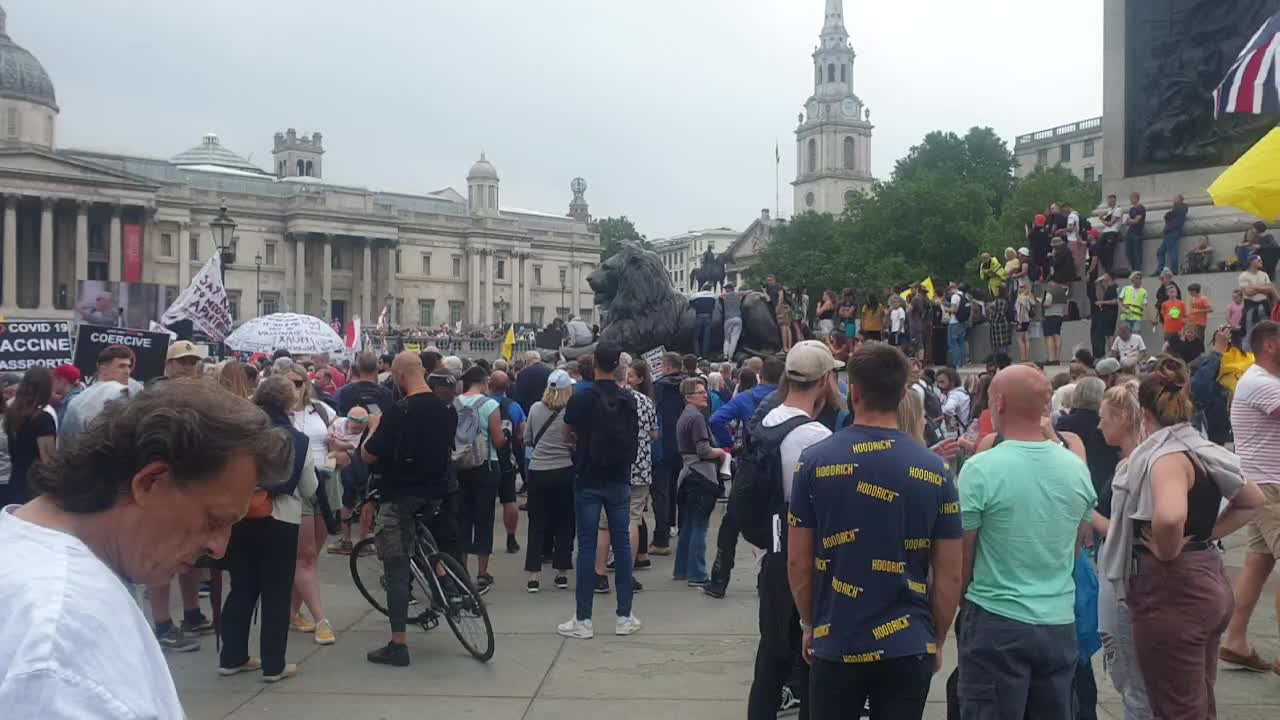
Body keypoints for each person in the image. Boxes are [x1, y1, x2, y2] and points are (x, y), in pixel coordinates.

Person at [0, 381, 292, 715]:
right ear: (151, 482)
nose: (219, 548)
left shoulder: (40, 566)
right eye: (214, 521)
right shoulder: (65, 633)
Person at [788, 343, 961, 719]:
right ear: (902, 394)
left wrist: (808, 623)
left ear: (854, 391)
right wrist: (937, 637)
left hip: (837, 637)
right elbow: (950, 574)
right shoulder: (934, 470)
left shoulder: (814, 462)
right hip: (908, 641)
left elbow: (798, 560)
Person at [1101, 357, 1263, 718]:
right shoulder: (1201, 450)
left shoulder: (1166, 457)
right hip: (1207, 579)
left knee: (1176, 706)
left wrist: (1167, 549)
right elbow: (1253, 499)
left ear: (1143, 411)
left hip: (1174, 591)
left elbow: (1171, 515)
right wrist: (1206, 534)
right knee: (1197, 699)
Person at [956, 365, 1096, 719]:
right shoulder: (1076, 468)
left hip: (996, 619)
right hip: (1058, 622)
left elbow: (963, 556)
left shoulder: (981, 468)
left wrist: (964, 605)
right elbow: (1075, 546)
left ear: (999, 403)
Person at [743, 341, 838, 720]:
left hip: (773, 551)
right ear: (825, 381)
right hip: (805, 559)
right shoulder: (816, 438)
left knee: (770, 659)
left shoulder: (767, 421)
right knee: (810, 663)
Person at [218, 375, 318, 683]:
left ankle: (232, 657)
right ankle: (274, 665)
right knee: (276, 592)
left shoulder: (239, 433)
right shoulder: (297, 440)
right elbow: (309, 487)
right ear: (289, 402)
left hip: (242, 515)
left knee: (241, 588)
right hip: (281, 519)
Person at [360, 352, 458, 667]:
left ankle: (398, 643)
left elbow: (368, 457)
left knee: (395, 568)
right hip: (435, 493)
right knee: (419, 538)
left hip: (401, 495)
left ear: (400, 376)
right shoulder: (445, 409)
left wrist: (374, 425)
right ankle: (447, 588)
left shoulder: (399, 411)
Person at [558, 339, 642, 639]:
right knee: (621, 545)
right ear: (619, 365)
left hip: (588, 477)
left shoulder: (581, 397)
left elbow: (566, 433)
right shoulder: (628, 400)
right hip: (619, 477)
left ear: (594, 365)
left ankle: (583, 619)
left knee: (587, 546)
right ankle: (624, 615)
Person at [1220, 321, 1280, 675]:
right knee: (1260, 562)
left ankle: (1235, 640)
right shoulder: (1260, 382)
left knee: (1258, 564)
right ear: (1271, 345)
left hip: (1264, 485)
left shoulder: (1264, 381)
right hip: (1271, 486)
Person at [705, 356, 784, 598]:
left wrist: (731, 447)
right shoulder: (787, 401)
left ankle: (719, 579)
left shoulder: (746, 398)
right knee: (777, 525)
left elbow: (716, 419)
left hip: (750, 467)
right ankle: (768, 580)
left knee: (731, 524)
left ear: (760, 375)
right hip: (779, 467)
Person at [284, 364, 340, 646]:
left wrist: (337, 446)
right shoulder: (278, 415)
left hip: (326, 481)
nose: (296, 387)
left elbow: (338, 438)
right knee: (304, 555)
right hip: (297, 485)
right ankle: (321, 619)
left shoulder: (320, 409)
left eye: (300, 382)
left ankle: (291, 613)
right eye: (291, 382)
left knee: (311, 556)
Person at [523, 369, 576, 592]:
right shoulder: (571, 412)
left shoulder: (535, 408)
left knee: (537, 523)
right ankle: (561, 573)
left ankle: (534, 575)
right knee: (564, 522)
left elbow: (527, 439)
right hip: (564, 469)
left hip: (538, 470)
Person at [456, 366, 506, 591]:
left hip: (460, 465)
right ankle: (482, 572)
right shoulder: (490, 405)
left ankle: (462, 568)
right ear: (484, 382)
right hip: (485, 465)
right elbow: (497, 440)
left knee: (462, 518)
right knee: (484, 519)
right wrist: (504, 435)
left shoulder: (455, 403)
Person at [1, 368, 55, 510]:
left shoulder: (12, 413)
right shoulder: (43, 418)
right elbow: (48, 460)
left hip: (15, 480)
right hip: (34, 488)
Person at [650, 352, 687, 555]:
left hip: (663, 445)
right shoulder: (689, 385)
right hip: (683, 445)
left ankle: (661, 535)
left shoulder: (659, 387)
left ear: (666, 367)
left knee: (661, 493)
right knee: (678, 490)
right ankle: (680, 529)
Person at [335, 351, 394, 415]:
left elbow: (342, 417)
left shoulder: (345, 391)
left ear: (358, 368)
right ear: (377, 368)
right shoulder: (386, 393)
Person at [1238, 254, 1277, 351]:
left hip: (1264, 305)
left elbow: (1269, 290)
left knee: (1267, 331)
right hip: (1251, 305)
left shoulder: (1264, 274)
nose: (1261, 261)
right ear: (1251, 262)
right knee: (1250, 331)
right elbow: (1248, 292)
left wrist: (1254, 287)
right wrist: (1262, 288)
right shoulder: (1244, 275)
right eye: (1258, 260)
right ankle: (1249, 353)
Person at [936, 367, 970, 440]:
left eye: (942, 382)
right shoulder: (952, 394)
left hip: (957, 437)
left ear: (952, 382)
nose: (939, 386)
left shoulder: (955, 395)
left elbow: (948, 410)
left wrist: (948, 425)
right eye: (938, 382)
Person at [514, 350, 552, 416]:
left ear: (527, 360)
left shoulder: (523, 374)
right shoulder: (551, 372)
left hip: (529, 411)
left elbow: (519, 396)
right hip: (548, 410)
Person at [1158, 194, 1188, 275]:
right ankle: (1160, 269)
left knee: (1172, 251)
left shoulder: (1181, 207)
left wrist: (1169, 214)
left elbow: (1170, 215)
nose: (1174, 200)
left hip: (1172, 232)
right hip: (1168, 232)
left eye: (1175, 199)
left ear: (1180, 200)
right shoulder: (1177, 208)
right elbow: (1169, 216)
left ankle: (1174, 270)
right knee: (1160, 251)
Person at [1042, 280, 1068, 365]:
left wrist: (1041, 302)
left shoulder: (1050, 292)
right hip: (1059, 315)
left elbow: (1047, 304)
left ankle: (1051, 359)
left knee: (1049, 336)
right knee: (1057, 335)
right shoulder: (1063, 292)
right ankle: (1057, 358)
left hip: (1050, 315)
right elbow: (1065, 307)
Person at [690, 283, 718, 359]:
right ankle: (705, 355)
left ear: (702, 288)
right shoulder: (714, 295)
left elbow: (690, 302)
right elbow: (716, 305)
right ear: (710, 289)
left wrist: (696, 307)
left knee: (695, 337)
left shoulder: (696, 295)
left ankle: (698, 355)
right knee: (707, 337)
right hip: (708, 317)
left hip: (699, 316)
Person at [1098, 194, 1125, 271]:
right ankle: (1106, 268)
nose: (1109, 203)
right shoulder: (1109, 210)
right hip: (1105, 233)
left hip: (1113, 232)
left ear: (1114, 201)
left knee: (1109, 251)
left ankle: (1109, 270)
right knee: (1098, 249)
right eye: (1108, 201)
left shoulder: (1118, 210)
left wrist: (1101, 219)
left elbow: (1110, 224)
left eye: (1110, 201)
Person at [945, 283, 967, 368]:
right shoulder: (963, 295)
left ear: (951, 289)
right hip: (962, 322)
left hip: (954, 322)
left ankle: (956, 363)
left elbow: (954, 310)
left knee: (953, 343)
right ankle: (963, 363)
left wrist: (946, 309)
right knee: (961, 342)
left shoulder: (954, 296)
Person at [1124, 192, 1146, 274]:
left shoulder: (1141, 208)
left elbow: (1136, 221)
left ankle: (1138, 270)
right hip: (1130, 232)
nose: (1131, 200)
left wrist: (1131, 221)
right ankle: (1133, 269)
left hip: (1137, 233)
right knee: (1128, 253)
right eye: (1130, 198)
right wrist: (1131, 221)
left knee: (1137, 252)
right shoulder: (1131, 209)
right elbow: (1127, 222)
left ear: (1137, 198)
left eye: (1132, 198)